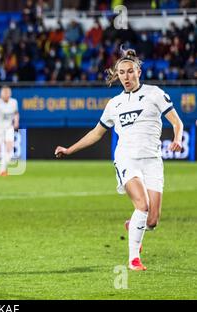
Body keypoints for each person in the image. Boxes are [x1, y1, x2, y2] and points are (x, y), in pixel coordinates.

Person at [54, 47, 184, 271]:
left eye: (130, 71)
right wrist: (69, 149)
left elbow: (177, 122)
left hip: (152, 160)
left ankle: (133, 224)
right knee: (142, 205)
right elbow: (96, 133)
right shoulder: (114, 104)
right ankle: (134, 259)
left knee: (152, 220)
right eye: (121, 72)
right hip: (127, 159)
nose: (126, 76)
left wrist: (178, 138)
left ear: (138, 72)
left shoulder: (155, 94)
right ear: (117, 75)